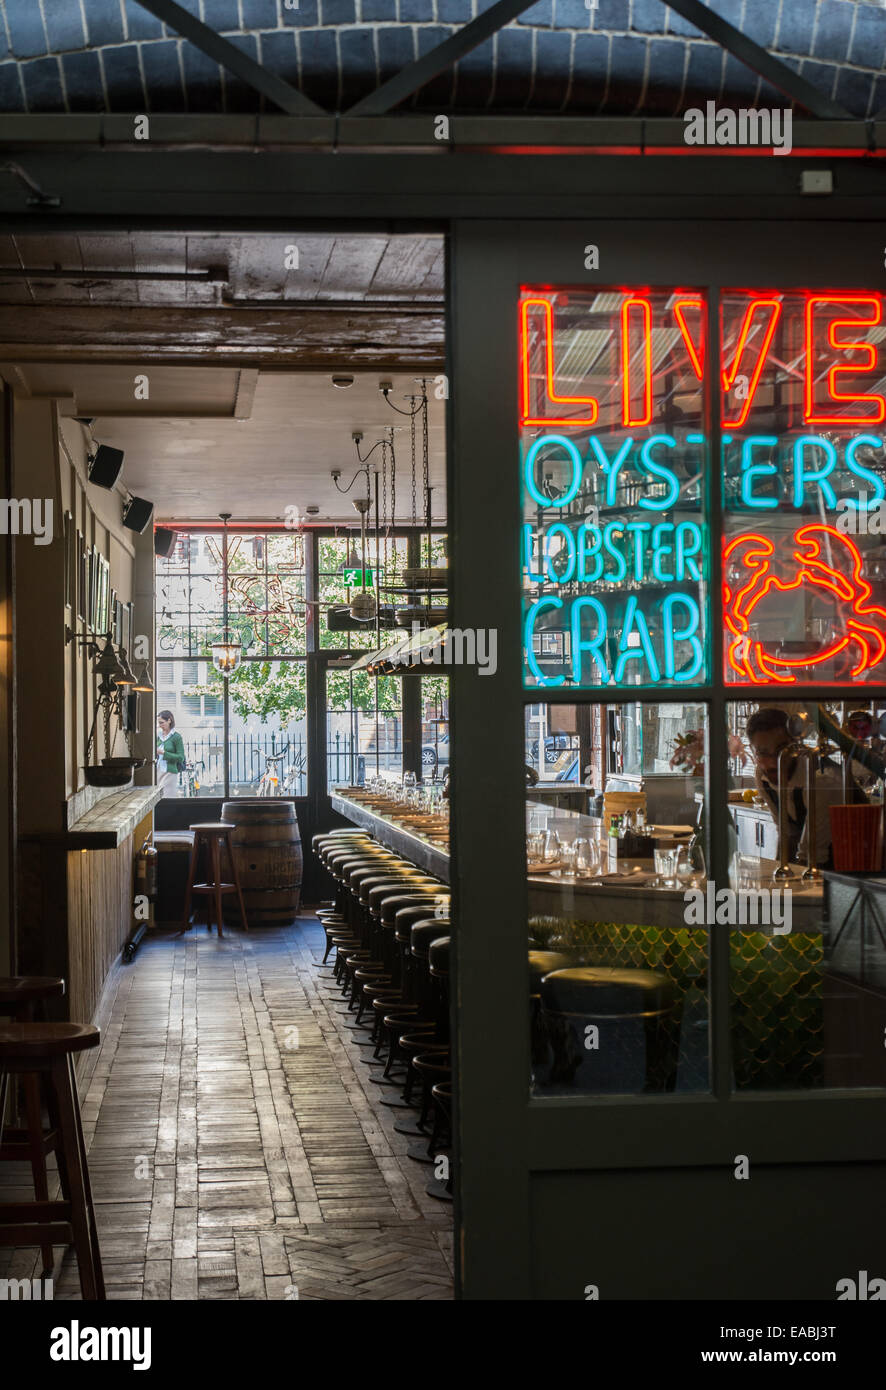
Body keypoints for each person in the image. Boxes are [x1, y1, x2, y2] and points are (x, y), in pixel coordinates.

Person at [746, 707, 867, 868]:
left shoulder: (822, 780)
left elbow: (812, 854)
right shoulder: (762, 776)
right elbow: (786, 833)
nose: (774, 761)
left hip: (855, 870)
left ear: (795, 744)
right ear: (753, 751)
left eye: (782, 750)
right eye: (762, 752)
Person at [156, 710, 185, 799]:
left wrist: (164, 753)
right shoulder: (159, 736)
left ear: (169, 720)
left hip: (170, 773)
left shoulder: (176, 737)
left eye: (162, 723)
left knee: (167, 798)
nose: (160, 725)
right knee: (157, 798)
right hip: (158, 771)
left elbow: (180, 758)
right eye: (159, 723)